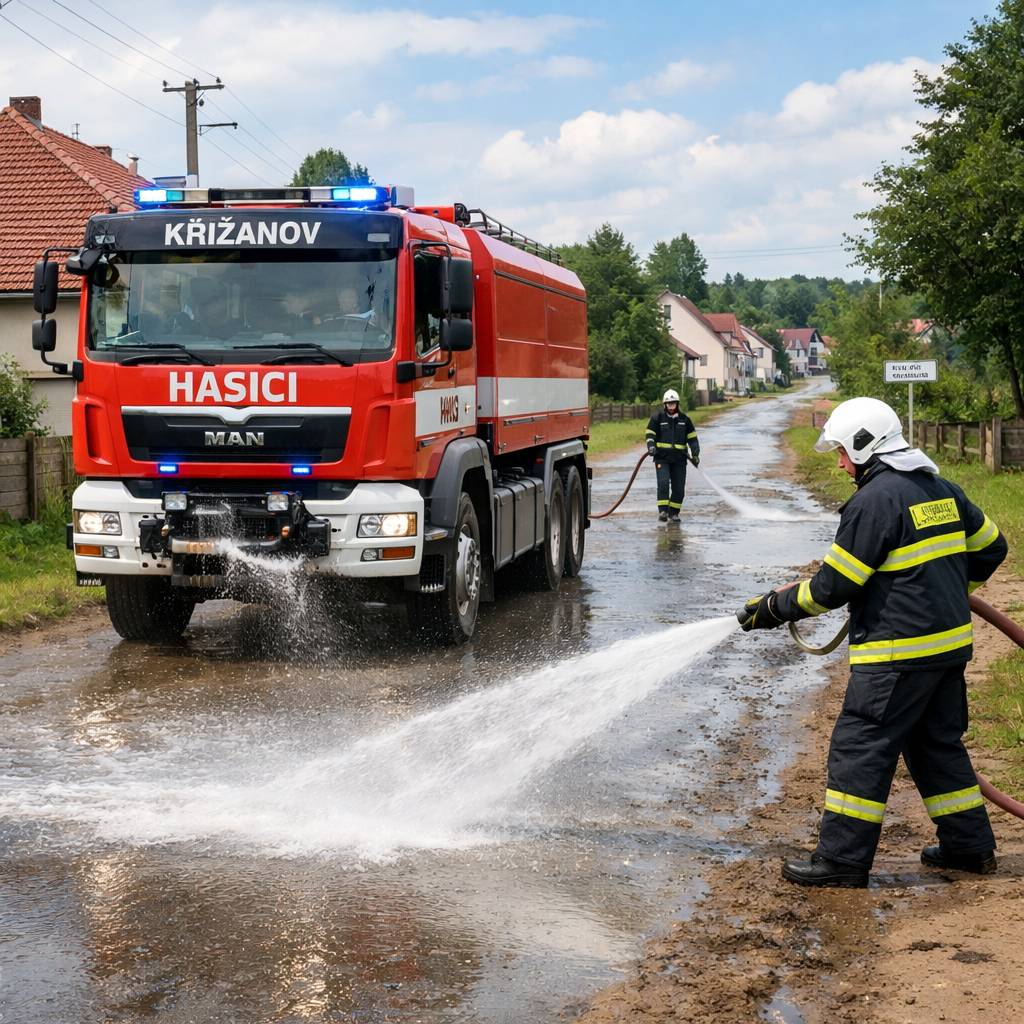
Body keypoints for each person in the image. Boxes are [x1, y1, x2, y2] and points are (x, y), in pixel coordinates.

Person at [739, 397, 1007, 888]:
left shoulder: (874, 501)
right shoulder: (942, 489)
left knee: (860, 747)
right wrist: (948, 590)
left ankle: (841, 862)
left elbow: (833, 587)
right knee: (936, 747)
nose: (841, 463)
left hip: (895, 657)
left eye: (842, 451)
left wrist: (774, 608)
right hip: (947, 653)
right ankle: (970, 849)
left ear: (865, 445)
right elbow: (993, 547)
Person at [645, 389, 700, 521]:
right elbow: (650, 434)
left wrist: (695, 454)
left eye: (673, 403)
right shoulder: (657, 418)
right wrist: (651, 446)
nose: (671, 406)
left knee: (679, 488)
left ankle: (673, 513)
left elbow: (692, 438)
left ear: (677, 404)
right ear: (665, 405)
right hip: (662, 458)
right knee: (663, 484)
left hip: (679, 459)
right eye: (669, 404)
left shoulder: (685, 420)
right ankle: (663, 512)